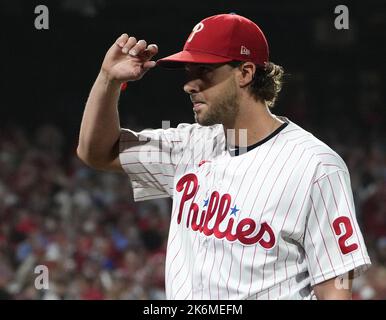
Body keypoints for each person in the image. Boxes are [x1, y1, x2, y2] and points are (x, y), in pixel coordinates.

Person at [77, 13, 371, 299]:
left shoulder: (316, 165)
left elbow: (334, 285)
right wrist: (108, 80)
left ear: (245, 73)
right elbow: (97, 153)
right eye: (189, 72)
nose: (189, 84)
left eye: (204, 71)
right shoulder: (189, 145)